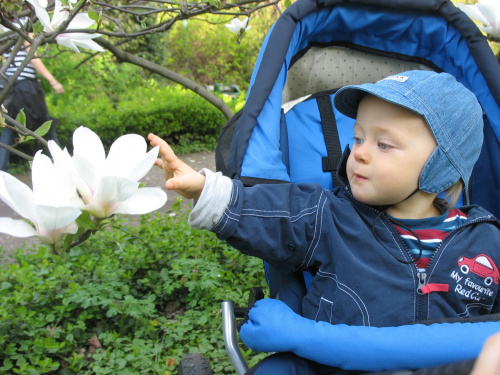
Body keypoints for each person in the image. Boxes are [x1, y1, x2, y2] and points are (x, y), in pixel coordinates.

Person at [148, 70, 500, 373]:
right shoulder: (329, 216)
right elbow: (273, 214)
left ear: (440, 166)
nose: (358, 152)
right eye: (358, 137)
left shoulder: (486, 242)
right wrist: (203, 189)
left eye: (384, 145)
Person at [0, 31, 64, 172]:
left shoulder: (5, 31)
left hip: (7, 87)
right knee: (45, 127)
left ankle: (1, 172)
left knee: (8, 128)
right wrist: (53, 81)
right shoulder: (24, 26)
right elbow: (32, 57)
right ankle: (63, 165)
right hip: (25, 88)